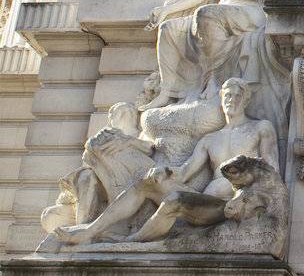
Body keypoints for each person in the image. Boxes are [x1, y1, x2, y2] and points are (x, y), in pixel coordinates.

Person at [56, 77, 278, 247]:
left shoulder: (260, 128)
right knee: (147, 182)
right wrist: (164, 171)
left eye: (238, 96)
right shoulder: (211, 139)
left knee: (174, 200)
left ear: (247, 99)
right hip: (202, 202)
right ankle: (90, 231)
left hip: (229, 205)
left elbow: (272, 170)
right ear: (221, 100)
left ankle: (130, 242)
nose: (232, 100)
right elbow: (184, 172)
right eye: (228, 96)